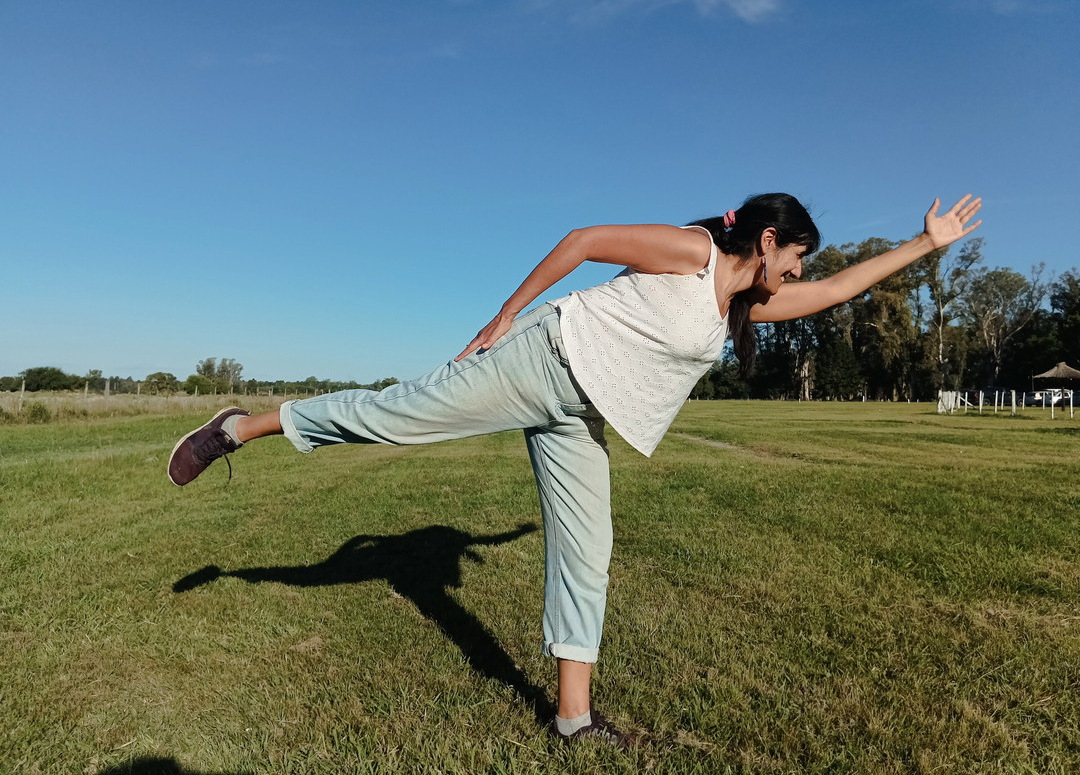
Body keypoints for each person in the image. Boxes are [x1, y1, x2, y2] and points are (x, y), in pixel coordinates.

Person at [168, 192, 982, 745]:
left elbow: (839, 291)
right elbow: (585, 241)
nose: (801, 270)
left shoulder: (744, 302)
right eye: (797, 255)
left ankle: (573, 720)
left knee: (588, 550)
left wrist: (925, 245)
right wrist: (506, 314)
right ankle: (240, 428)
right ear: (769, 240)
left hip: (579, 414)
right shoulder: (694, 252)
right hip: (540, 360)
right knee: (395, 419)